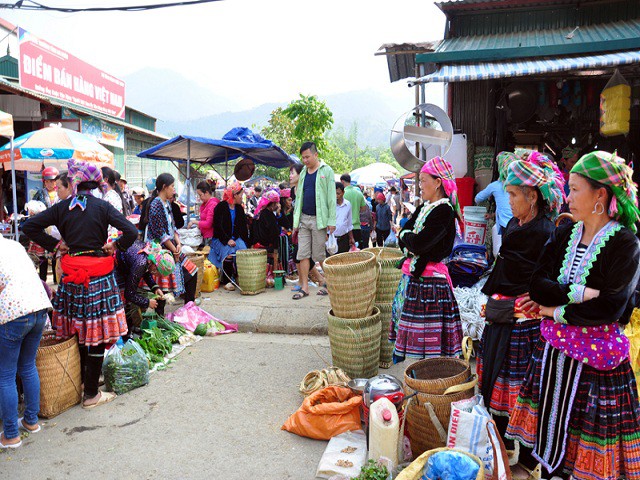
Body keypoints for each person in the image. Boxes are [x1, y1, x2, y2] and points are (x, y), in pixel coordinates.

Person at [506, 151, 640, 480]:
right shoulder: (565, 234)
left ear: (600, 195)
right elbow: (537, 285)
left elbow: (612, 307)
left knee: (585, 454)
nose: (568, 197)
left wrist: (554, 310)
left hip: (596, 367)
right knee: (553, 444)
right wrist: (583, 293)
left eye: (576, 189)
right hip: (555, 357)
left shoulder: (625, 244)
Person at [22, 158, 138, 409]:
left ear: (75, 182)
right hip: (98, 278)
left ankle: (85, 383)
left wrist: (55, 245)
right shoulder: (102, 206)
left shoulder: (63, 207)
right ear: (96, 182)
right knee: (95, 334)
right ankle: (91, 394)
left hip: (71, 279)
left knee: (78, 330)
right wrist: (115, 245)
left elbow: (28, 226)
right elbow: (132, 232)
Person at [477, 156, 563, 479]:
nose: (509, 201)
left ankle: (526, 459)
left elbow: (543, 276)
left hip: (523, 324)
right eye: (509, 194)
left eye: (514, 195)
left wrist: (535, 294)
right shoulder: (515, 225)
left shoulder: (544, 231)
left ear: (533, 197)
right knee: (497, 382)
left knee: (520, 389)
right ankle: (499, 449)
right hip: (504, 316)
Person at [389, 156, 463, 362]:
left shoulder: (444, 210)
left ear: (438, 182)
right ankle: (423, 382)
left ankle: (432, 383)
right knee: (418, 343)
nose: (420, 186)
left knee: (430, 344)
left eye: (423, 180)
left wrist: (408, 239)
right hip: (417, 281)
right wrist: (408, 238)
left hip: (432, 286)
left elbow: (419, 243)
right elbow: (406, 234)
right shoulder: (424, 207)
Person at [0, 235, 52, 448]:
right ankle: (31, 421)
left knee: (6, 375)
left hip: (14, 315)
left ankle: (11, 435)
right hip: (39, 309)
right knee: (28, 366)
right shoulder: (13, 245)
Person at [292, 142, 336, 300]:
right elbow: (299, 198)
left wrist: (332, 221)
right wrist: (295, 223)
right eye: (303, 157)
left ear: (316, 155)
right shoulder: (303, 172)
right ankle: (304, 287)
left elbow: (331, 197)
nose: (305, 160)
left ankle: (329, 283)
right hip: (304, 219)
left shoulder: (326, 171)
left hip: (320, 220)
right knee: (302, 254)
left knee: (319, 255)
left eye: (307, 157)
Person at [145, 173, 198, 303]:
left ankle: (189, 308)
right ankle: (160, 319)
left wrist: (178, 244)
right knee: (162, 290)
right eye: (172, 186)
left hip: (172, 247)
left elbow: (173, 227)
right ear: (164, 187)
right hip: (160, 251)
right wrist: (175, 250)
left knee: (192, 271)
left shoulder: (167, 204)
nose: (174, 190)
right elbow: (160, 234)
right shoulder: (156, 205)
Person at [115, 240, 172, 330]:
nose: (158, 276)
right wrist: (147, 302)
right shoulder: (140, 264)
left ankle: (129, 328)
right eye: (159, 273)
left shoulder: (152, 256)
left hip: (128, 263)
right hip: (118, 265)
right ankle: (125, 331)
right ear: (155, 266)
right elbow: (129, 293)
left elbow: (146, 271)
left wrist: (155, 287)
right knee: (124, 301)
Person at [208, 182, 249, 291]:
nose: (242, 197)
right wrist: (227, 240)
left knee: (243, 252)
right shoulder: (221, 207)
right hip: (221, 239)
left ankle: (240, 277)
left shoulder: (239, 208)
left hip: (235, 237)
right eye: (241, 194)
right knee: (229, 253)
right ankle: (227, 281)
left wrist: (237, 239)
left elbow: (241, 228)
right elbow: (217, 227)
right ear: (235, 195)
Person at [475, 151, 516, 255]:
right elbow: (507, 208)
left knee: (499, 253)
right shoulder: (520, 186)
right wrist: (492, 215)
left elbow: (477, 198)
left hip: (504, 227)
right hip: (518, 224)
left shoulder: (495, 185)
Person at [251, 190, 281, 282]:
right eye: (276, 203)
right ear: (272, 204)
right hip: (265, 244)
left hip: (256, 242)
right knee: (280, 244)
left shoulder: (260, 212)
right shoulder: (268, 215)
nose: (278, 205)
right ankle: (272, 274)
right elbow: (275, 233)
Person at [188, 181, 219, 246]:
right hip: (205, 236)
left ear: (206, 193)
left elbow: (208, 224)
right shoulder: (205, 204)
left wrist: (194, 222)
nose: (199, 198)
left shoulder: (212, 204)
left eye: (200, 195)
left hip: (211, 237)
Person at [341, 174, 367, 247]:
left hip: (345, 228)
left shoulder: (342, 194)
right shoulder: (359, 193)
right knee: (356, 252)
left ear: (342, 182)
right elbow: (363, 209)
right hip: (357, 227)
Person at [334, 182, 354, 254]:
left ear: (343, 192)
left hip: (344, 239)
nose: (336, 196)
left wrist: (351, 238)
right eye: (334, 193)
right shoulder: (330, 205)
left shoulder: (347, 204)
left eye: (338, 193)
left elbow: (349, 223)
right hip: (332, 239)